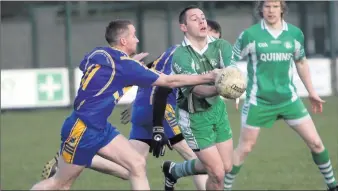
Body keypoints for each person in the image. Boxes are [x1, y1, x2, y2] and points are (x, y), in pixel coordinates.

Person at [31, 19, 220, 190]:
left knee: (136, 165)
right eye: (133, 36)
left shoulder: (99, 53)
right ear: (123, 41)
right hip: (82, 130)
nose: (137, 40)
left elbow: (86, 65)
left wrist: (129, 66)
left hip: (100, 127)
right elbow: (169, 82)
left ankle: (85, 159)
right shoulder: (124, 65)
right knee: (60, 184)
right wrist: (208, 77)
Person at [223, 1, 338, 191]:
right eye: (267, 6)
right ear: (261, 9)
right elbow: (232, 61)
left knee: (316, 143)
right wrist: (233, 87)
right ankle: (224, 188)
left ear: (282, 8)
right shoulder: (250, 35)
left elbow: (301, 63)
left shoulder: (294, 34)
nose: (271, 10)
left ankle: (332, 186)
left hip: (289, 100)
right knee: (244, 148)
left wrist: (312, 92)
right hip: (258, 101)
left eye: (275, 6)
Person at [161, 5, 235, 191]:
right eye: (194, 19)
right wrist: (222, 88)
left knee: (226, 167)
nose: (202, 20)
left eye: (203, 17)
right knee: (217, 173)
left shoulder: (221, 46)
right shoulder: (180, 55)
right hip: (193, 117)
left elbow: (232, 73)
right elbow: (197, 90)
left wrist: (236, 85)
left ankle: (175, 171)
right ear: (183, 27)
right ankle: (177, 171)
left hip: (217, 110)